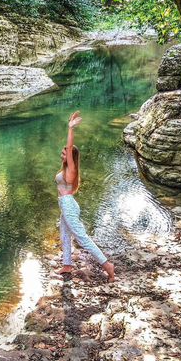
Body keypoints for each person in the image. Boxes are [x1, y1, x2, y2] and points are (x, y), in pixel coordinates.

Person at [54, 110, 115, 282]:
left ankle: (107, 265)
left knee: (82, 237)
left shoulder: (71, 168)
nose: (62, 154)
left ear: (71, 156)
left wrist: (71, 129)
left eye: (65, 153)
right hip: (66, 204)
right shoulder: (65, 170)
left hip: (68, 205)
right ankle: (67, 265)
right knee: (65, 235)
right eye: (62, 152)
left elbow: (70, 145)